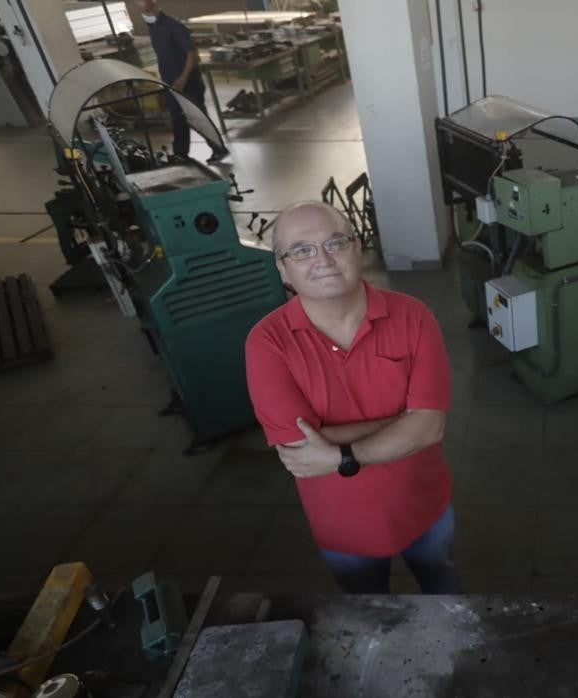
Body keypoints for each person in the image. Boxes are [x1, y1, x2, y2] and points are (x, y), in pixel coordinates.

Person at [244, 201, 460, 594]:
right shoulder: (267, 342)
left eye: (335, 243)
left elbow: (430, 426)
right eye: (301, 250)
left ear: (357, 248)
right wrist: (405, 420)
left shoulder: (414, 317)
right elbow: (298, 447)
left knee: (444, 591)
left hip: (424, 508)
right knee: (365, 616)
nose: (322, 259)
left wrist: (339, 454)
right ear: (282, 268)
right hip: (342, 526)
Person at [138, 0, 228, 162]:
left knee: (198, 117)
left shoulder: (174, 25)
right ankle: (180, 154)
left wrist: (183, 78)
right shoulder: (153, 28)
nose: (144, 14)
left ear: (154, 5)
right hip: (171, 82)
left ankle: (219, 149)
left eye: (145, 8)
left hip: (188, 82)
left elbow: (192, 54)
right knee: (177, 119)